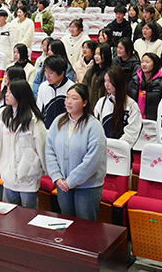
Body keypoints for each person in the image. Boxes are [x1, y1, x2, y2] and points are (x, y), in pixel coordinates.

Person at [45, 83, 106, 221]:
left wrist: (71, 181)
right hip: (62, 184)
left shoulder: (94, 126)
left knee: (85, 226)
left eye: (74, 98)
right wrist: (57, 177)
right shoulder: (58, 121)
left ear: (84, 102)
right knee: (66, 222)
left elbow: (93, 160)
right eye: (67, 97)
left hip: (87, 186)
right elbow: (49, 150)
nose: (69, 101)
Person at [0, 79, 48, 209]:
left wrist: (43, 170)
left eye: (10, 92)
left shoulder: (34, 120)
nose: (6, 94)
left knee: (28, 216)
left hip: (28, 179)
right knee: (9, 215)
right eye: (7, 91)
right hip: (8, 178)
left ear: (20, 95)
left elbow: (42, 148)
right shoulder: (4, 117)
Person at [94, 65, 142, 147]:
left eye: (110, 81)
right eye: (105, 81)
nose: (106, 85)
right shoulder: (101, 102)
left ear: (118, 81)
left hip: (122, 150)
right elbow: (96, 127)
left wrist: (118, 147)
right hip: (104, 148)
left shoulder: (131, 105)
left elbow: (133, 132)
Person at [36, 55, 76, 129]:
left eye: (51, 73)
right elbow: (39, 110)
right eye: (45, 71)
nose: (47, 76)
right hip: (47, 129)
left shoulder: (72, 88)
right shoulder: (43, 86)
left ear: (61, 73)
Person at [128, 52, 162, 120]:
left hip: (153, 120)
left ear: (155, 64)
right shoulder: (134, 81)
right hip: (135, 119)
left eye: (147, 62)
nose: (144, 64)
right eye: (142, 62)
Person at [84, 42, 112, 109]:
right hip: (90, 107)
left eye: (99, 54)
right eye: (95, 54)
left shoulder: (110, 72)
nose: (96, 56)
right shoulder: (91, 71)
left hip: (105, 107)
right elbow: (84, 85)